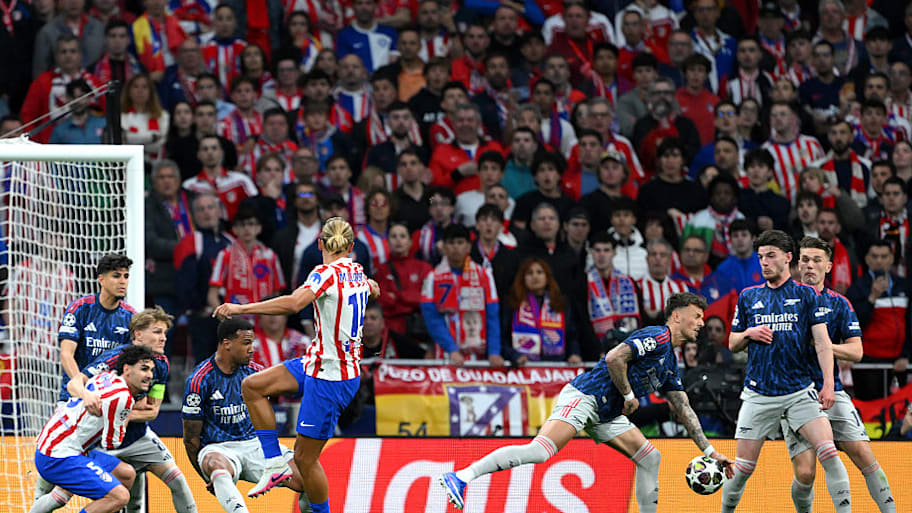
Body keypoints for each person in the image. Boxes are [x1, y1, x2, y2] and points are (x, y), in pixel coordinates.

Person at [439, 292, 733, 512]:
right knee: (540, 451)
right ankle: (462, 477)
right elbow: (615, 357)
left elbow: (684, 409)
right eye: (697, 315)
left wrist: (710, 451)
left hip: (606, 414)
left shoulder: (669, 362)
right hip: (585, 397)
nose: (701, 322)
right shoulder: (658, 337)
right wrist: (629, 396)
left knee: (650, 457)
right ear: (677, 316)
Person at [211, 218, 379, 513]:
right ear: (352, 246)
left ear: (320, 244)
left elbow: (293, 304)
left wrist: (241, 308)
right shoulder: (357, 271)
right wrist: (371, 288)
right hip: (317, 362)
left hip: (332, 377)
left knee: (304, 459)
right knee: (252, 386)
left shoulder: (325, 273)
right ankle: (274, 464)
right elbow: (373, 288)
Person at [721, 229, 852, 513]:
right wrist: (749, 333)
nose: (764, 262)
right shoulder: (748, 296)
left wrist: (828, 384)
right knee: (742, 469)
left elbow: (822, 343)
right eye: (760, 257)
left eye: (771, 256)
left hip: (799, 393)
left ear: (788, 257)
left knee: (829, 453)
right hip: (758, 394)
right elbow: (732, 343)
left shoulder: (806, 295)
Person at [45, 308, 196, 513]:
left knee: (177, 480)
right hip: (101, 441)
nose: (163, 338)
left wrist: (123, 413)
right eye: (157, 332)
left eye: (164, 333)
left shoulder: (161, 364)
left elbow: (152, 411)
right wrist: (90, 397)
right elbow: (74, 384)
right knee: (61, 495)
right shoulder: (114, 359)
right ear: (138, 334)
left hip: (138, 437)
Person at [785, 236, 897, 513]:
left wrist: (824, 345)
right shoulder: (782, 301)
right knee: (806, 473)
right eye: (805, 260)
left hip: (832, 390)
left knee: (864, 454)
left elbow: (856, 351)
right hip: (794, 395)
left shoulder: (839, 303)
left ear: (828, 267)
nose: (810, 265)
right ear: (797, 264)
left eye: (817, 260)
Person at [181, 318, 312, 513]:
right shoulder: (199, 380)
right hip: (219, 449)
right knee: (216, 466)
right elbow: (191, 440)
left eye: (253, 343)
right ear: (227, 344)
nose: (252, 349)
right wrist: (206, 476)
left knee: (310, 478)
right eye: (246, 343)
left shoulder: (257, 373)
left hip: (256, 445)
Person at [33, 345, 154, 513]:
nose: (150, 375)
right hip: (58, 456)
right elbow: (111, 443)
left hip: (54, 444)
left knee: (127, 474)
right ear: (127, 369)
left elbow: (72, 385)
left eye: (151, 370)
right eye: (144, 369)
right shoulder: (123, 398)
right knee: (119, 497)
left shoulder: (107, 376)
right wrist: (125, 416)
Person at [57, 254, 135, 405]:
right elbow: (66, 354)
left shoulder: (130, 317)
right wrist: (82, 391)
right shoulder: (80, 308)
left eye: (126, 276)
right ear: (101, 279)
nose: (122, 281)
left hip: (108, 401)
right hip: (73, 398)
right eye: (116, 276)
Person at [421, 224, 503, 367]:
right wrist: (451, 349)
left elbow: (492, 316)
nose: (456, 247)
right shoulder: (432, 278)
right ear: (444, 247)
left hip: (480, 356)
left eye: (460, 243)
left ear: (468, 247)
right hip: (446, 355)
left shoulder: (484, 275)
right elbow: (431, 318)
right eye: (451, 243)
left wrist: (494, 351)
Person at [846, 240, 910, 401]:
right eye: (874, 256)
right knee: (871, 408)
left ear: (891, 259)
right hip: (869, 362)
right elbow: (854, 324)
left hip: (899, 361)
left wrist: (906, 355)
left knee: (900, 409)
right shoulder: (857, 288)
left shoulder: (904, 285)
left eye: (884, 256)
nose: (879, 261)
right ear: (867, 259)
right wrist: (872, 298)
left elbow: (909, 323)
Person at [208, 207, 285, 309]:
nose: (246, 228)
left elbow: (278, 292)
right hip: (237, 315)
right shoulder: (225, 255)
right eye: (241, 225)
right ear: (234, 229)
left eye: (251, 224)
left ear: (259, 228)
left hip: (264, 315)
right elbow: (212, 295)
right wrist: (224, 316)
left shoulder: (270, 256)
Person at [375, 222, 433, 337]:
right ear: (387, 242)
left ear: (410, 242)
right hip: (392, 332)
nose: (398, 240)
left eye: (402, 236)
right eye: (394, 236)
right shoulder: (381, 270)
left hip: (420, 331)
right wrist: (411, 300)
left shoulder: (424, 268)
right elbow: (383, 304)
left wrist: (398, 296)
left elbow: (426, 300)